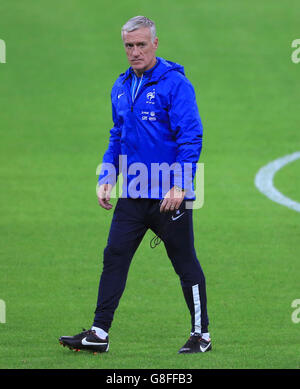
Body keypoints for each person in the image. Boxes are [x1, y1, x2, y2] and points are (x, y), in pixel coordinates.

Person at [59, 16, 211, 354]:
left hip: (169, 198)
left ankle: (201, 335)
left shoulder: (175, 85)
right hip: (134, 193)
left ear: (155, 44)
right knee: (114, 256)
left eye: (141, 44)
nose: (135, 51)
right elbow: (117, 136)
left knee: (185, 264)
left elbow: (191, 138)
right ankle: (99, 333)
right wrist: (106, 177)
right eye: (129, 45)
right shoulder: (120, 86)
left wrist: (180, 186)